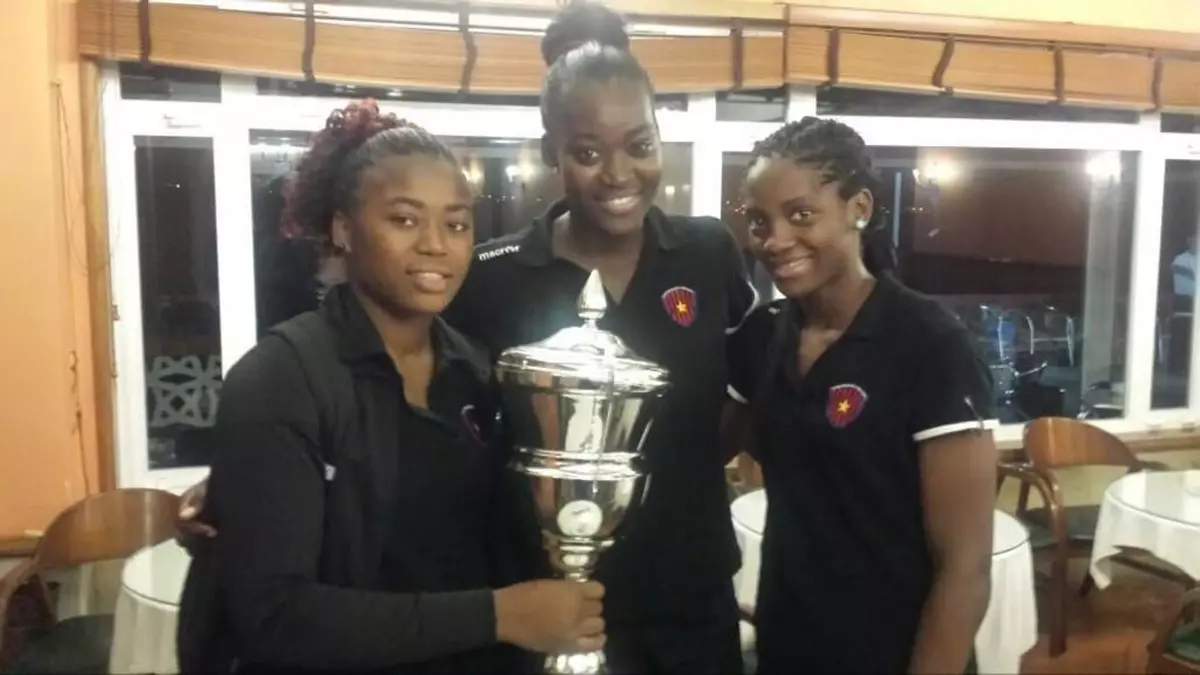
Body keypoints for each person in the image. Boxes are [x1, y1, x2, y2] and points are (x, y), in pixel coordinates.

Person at [176, 100, 604, 675]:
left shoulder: (474, 372)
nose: (435, 244)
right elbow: (275, 617)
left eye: (456, 224)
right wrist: (499, 615)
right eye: (404, 220)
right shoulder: (281, 379)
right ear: (343, 229)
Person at [441, 2, 755, 673]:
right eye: (587, 152)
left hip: (688, 598)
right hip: (544, 605)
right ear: (550, 151)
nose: (618, 174)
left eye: (639, 146)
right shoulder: (491, 277)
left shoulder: (707, 252)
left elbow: (744, 391)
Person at [726, 117, 998, 674]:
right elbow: (695, 452)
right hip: (788, 644)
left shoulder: (930, 344)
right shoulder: (761, 337)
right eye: (758, 221)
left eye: (801, 215)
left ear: (859, 208)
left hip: (896, 652)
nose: (774, 240)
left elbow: (965, 567)